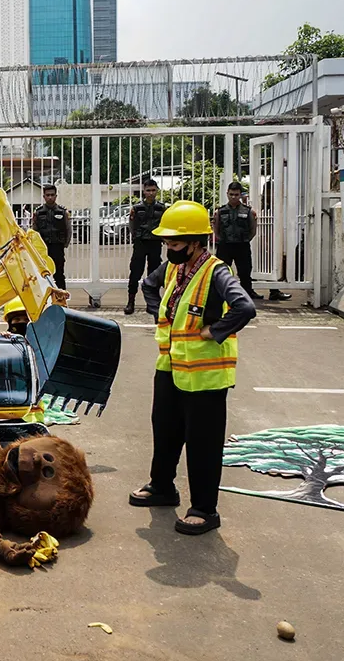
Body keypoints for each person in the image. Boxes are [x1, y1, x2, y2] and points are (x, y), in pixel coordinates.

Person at [128, 201, 256, 535]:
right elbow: (148, 285)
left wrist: (213, 331)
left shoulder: (216, 272)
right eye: (167, 243)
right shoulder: (173, 268)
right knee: (165, 430)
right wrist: (161, 315)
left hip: (205, 376)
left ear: (197, 242)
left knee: (202, 443)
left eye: (175, 243)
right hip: (170, 367)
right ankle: (162, 487)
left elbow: (245, 308)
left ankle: (204, 509)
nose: (169, 249)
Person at [213, 181, 291, 302]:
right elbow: (216, 229)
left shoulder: (248, 211)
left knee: (245, 272)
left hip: (242, 245)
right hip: (225, 246)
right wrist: (222, 239)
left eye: (236, 194)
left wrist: (245, 240)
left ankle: (247, 293)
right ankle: (220, 295)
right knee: (222, 271)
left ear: (240, 195)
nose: (234, 197)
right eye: (231, 194)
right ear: (227, 193)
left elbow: (252, 230)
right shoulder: (220, 212)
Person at [125, 179, 167, 315]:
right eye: (148, 190)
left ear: (157, 191)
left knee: (154, 274)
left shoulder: (161, 208)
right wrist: (136, 237)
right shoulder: (137, 208)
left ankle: (152, 304)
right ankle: (131, 302)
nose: (151, 193)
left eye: (153, 190)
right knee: (135, 273)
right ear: (143, 191)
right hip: (141, 243)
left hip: (155, 243)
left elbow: (164, 224)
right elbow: (132, 226)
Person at [32, 183, 71, 292]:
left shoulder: (62, 212)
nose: (50, 197)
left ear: (56, 196)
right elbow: (34, 231)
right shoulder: (38, 213)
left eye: (52, 195)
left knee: (59, 274)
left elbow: (68, 230)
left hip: (57, 248)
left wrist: (64, 244)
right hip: (42, 250)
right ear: (44, 196)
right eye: (47, 195)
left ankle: (62, 300)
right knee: (42, 275)